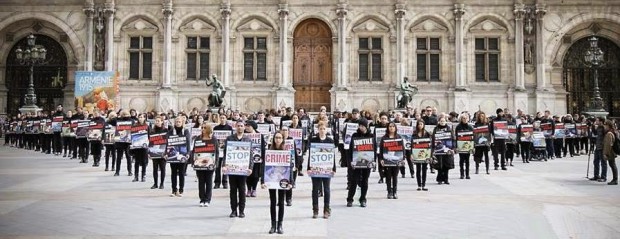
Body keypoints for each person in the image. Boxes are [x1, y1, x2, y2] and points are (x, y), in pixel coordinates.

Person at [262, 131, 293, 234]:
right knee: (272, 202)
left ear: (282, 139)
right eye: (276, 138)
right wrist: (263, 181)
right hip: (271, 180)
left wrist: (291, 182)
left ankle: (280, 225)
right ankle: (273, 225)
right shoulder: (269, 151)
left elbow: (290, 168)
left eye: (280, 138)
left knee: (281, 202)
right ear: (273, 139)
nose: (278, 139)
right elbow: (264, 167)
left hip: (282, 180)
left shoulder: (286, 152)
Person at [224, 120, 252, 218]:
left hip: (243, 170)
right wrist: (224, 165)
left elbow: (250, 156)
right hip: (232, 169)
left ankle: (241, 210)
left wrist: (250, 168)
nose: (240, 127)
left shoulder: (247, 140)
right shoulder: (230, 138)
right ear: (235, 127)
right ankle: (233, 210)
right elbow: (225, 154)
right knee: (232, 190)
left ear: (244, 127)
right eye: (238, 126)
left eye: (241, 126)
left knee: (242, 190)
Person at [308, 122, 335, 219]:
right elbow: (311, 155)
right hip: (315, 168)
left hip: (327, 168)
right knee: (315, 189)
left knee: (326, 189)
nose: (322, 130)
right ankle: (315, 209)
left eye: (324, 128)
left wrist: (334, 168)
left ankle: (326, 209)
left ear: (326, 129)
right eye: (320, 128)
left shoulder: (330, 141)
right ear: (318, 130)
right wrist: (308, 167)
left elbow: (333, 155)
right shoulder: (313, 140)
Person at [346, 118, 373, 208]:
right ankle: (350, 199)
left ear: (366, 126)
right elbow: (350, 150)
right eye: (360, 126)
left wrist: (374, 162)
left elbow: (373, 149)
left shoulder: (371, 135)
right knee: (354, 181)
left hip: (367, 162)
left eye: (362, 126)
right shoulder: (355, 135)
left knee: (365, 181)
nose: (361, 127)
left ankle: (363, 199)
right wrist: (350, 162)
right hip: (357, 162)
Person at [193, 123, 218, 206]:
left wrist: (216, 163)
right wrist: (193, 160)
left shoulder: (213, 139)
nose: (202, 129)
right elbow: (194, 150)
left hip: (210, 163)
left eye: (204, 128)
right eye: (202, 128)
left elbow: (216, 152)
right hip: (199, 164)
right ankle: (202, 199)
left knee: (209, 181)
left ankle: (207, 199)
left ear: (208, 129)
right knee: (201, 182)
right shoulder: (198, 138)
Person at [379, 122, 403, 199]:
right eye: (390, 126)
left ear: (395, 128)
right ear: (388, 128)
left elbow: (403, 149)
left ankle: (395, 192)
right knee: (388, 176)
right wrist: (381, 159)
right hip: (387, 161)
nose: (391, 128)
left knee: (395, 176)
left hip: (396, 161)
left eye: (393, 126)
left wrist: (403, 159)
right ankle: (389, 192)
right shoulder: (384, 138)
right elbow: (381, 150)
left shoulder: (399, 137)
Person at [432, 117, 455, 184]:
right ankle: (439, 179)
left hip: (447, 149)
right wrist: (433, 149)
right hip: (438, 150)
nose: (442, 122)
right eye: (441, 121)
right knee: (439, 165)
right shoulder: (436, 129)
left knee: (447, 165)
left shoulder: (449, 129)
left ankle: (446, 179)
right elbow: (433, 139)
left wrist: (453, 148)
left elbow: (452, 138)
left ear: (446, 121)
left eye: (443, 121)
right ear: (439, 121)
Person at [150, 116, 169, 189]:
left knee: (162, 168)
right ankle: (155, 183)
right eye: (156, 121)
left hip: (163, 152)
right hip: (154, 152)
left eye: (159, 121)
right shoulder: (152, 131)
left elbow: (168, 142)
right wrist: (149, 152)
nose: (157, 122)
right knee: (155, 168)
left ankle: (162, 183)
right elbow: (150, 142)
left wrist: (167, 152)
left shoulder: (166, 130)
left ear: (162, 122)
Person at [214, 114, 232, 189]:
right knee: (217, 167)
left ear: (226, 119)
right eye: (221, 118)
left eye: (223, 118)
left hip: (226, 150)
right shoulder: (216, 128)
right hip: (218, 150)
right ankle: (217, 182)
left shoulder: (229, 128)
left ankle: (225, 182)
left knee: (225, 166)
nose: (222, 119)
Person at [131, 113, 149, 182]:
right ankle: (136, 176)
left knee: (144, 161)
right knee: (137, 161)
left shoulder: (147, 126)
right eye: (140, 117)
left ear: (144, 118)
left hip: (144, 146)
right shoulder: (134, 126)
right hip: (136, 146)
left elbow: (149, 135)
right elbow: (132, 136)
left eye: (142, 117)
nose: (141, 118)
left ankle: (143, 176)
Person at [413, 120, 430, 191]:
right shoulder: (414, 134)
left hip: (425, 153)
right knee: (418, 169)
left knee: (424, 170)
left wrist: (429, 155)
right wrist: (411, 154)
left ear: (423, 125)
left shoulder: (427, 133)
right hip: (417, 153)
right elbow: (411, 144)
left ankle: (424, 184)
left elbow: (429, 144)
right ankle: (419, 185)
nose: (420, 125)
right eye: (418, 124)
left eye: (421, 124)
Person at [455, 113, 473, 179]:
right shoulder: (458, 127)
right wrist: (456, 146)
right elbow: (456, 137)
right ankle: (462, 174)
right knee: (461, 160)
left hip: (468, 146)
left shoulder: (470, 127)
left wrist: (472, 147)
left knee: (467, 160)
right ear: (461, 119)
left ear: (468, 119)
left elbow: (472, 137)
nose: (465, 120)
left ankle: (467, 174)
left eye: (466, 118)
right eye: (463, 118)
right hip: (460, 146)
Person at [590, 117, 607, 182]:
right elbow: (595, 133)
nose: (596, 121)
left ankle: (603, 177)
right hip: (597, 146)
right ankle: (596, 175)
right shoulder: (599, 127)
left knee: (603, 162)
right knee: (596, 161)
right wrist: (592, 126)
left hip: (602, 147)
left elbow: (605, 137)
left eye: (597, 120)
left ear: (601, 121)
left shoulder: (604, 128)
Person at [602, 120, 618, 185]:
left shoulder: (609, 134)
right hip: (611, 151)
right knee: (612, 165)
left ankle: (615, 179)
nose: (604, 126)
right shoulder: (612, 132)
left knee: (612, 165)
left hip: (610, 152)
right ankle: (615, 179)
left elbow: (608, 145)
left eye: (605, 125)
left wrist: (606, 154)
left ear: (608, 126)